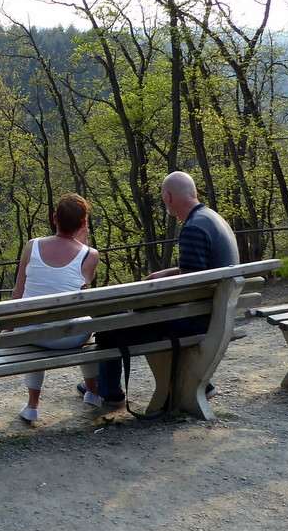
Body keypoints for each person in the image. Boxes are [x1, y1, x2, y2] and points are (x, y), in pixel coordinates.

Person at [95, 171, 239, 406]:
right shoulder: (212, 219)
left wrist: (149, 298)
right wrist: (166, 274)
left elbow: (190, 285)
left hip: (196, 320)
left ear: (168, 197)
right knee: (132, 319)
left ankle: (109, 394)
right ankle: (200, 383)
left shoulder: (193, 228)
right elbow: (197, 273)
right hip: (215, 312)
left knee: (108, 330)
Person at [12, 193, 101, 424]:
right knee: (85, 321)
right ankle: (92, 392)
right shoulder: (90, 255)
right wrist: (84, 244)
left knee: (36, 325)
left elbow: (18, 293)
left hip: (29, 334)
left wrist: (9, 326)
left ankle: (32, 405)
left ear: (54, 218)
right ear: (83, 224)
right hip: (68, 338)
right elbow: (82, 286)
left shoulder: (32, 246)